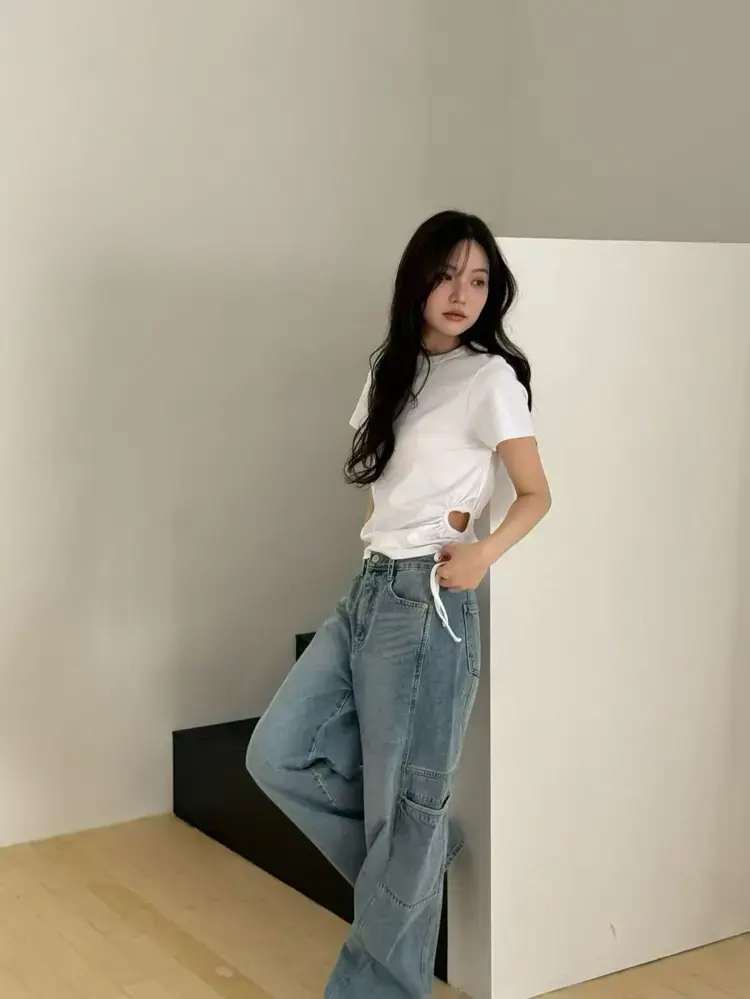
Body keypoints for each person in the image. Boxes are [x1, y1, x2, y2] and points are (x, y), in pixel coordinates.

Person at [246, 210, 551, 999]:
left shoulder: (490, 378)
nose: (461, 293)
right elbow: (385, 482)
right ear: (417, 279)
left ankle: (377, 975)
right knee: (276, 753)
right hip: (370, 588)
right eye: (447, 275)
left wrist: (481, 552)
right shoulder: (391, 368)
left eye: (478, 279)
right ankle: (417, 857)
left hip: (427, 600)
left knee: (402, 811)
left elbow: (535, 493)